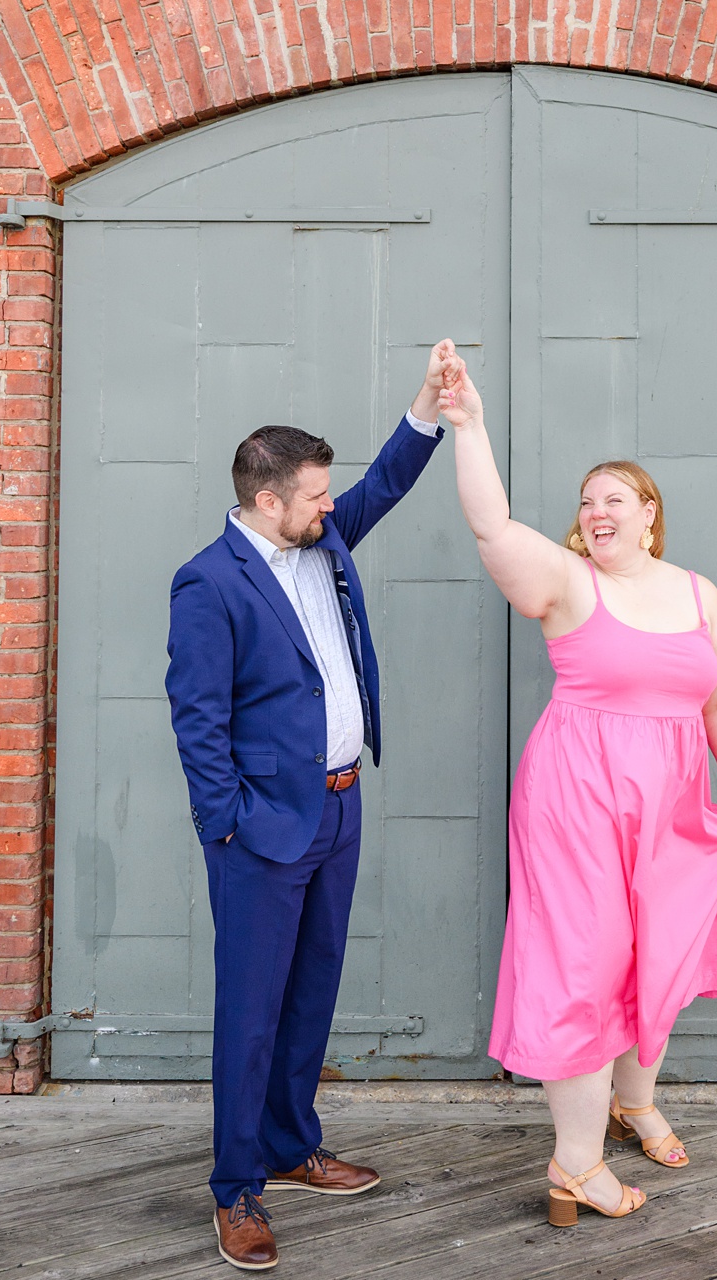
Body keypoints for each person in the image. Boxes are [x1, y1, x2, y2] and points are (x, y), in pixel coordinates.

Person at [435, 356, 717, 1228]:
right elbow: (491, 522)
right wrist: (468, 425)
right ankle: (575, 1162)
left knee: (655, 949)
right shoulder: (571, 585)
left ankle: (634, 1100)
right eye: (586, 501)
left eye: (614, 497)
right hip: (578, 797)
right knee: (584, 962)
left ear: (649, 513)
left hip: (674, 801)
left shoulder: (698, 594)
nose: (596, 510)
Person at [163, 340, 458, 1273]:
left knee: (311, 992)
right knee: (250, 1011)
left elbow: (387, 489)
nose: (335, 506)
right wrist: (230, 823)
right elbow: (197, 719)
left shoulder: (322, 539)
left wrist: (427, 407)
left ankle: (291, 1146)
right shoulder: (208, 583)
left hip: (339, 812)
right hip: (262, 830)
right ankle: (236, 1188)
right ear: (266, 502)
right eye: (317, 495)